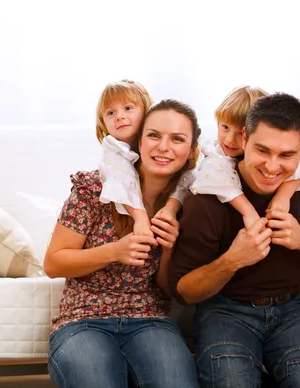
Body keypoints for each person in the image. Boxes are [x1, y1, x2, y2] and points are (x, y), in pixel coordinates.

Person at [169, 92, 300, 388]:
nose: (272, 167)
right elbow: (183, 290)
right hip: (225, 309)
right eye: (262, 150)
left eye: (287, 155)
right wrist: (232, 260)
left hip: (294, 308)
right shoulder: (209, 191)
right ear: (244, 138)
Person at [44, 98, 202, 388]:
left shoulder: (189, 204)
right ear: (139, 141)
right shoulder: (94, 189)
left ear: (191, 152)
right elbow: (53, 263)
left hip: (150, 319)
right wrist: (114, 251)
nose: (163, 148)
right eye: (153, 135)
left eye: (177, 139)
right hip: (83, 320)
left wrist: (168, 250)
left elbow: (167, 290)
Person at [190, 86, 300, 228]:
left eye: (238, 133)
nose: (229, 140)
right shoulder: (215, 155)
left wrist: (283, 196)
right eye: (225, 127)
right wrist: (248, 212)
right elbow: (219, 180)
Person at [95, 79, 194, 237]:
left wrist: (171, 207)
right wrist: (140, 217)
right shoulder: (113, 150)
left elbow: (188, 175)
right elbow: (120, 180)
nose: (119, 117)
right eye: (110, 113)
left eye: (128, 108)